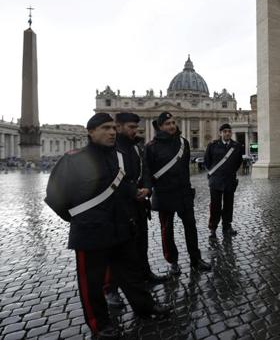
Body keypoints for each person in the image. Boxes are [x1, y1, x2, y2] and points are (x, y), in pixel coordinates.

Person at [45, 113, 170, 339]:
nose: (112, 132)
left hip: (121, 227)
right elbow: (54, 197)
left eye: (113, 128)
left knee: (132, 275)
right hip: (90, 233)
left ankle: (145, 308)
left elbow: (123, 186)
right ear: (91, 132)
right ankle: (99, 324)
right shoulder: (73, 159)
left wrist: (136, 193)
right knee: (92, 284)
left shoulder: (118, 156)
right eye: (105, 128)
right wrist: (79, 219)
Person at [103, 113, 170, 308]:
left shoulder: (137, 147)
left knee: (142, 241)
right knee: (117, 249)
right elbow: (112, 176)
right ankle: (111, 289)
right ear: (119, 126)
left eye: (136, 128)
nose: (135, 131)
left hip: (140, 203)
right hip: (120, 205)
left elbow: (146, 171)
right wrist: (134, 191)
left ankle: (145, 273)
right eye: (131, 127)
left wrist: (148, 188)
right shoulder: (111, 148)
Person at [145, 112, 212, 276]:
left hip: (183, 192)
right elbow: (147, 171)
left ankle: (196, 259)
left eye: (173, 122)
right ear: (160, 126)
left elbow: (184, 168)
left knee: (191, 227)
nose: (172, 126)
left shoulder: (184, 143)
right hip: (164, 194)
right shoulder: (151, 146)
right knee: (167, 231)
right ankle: (173, 261)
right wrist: (147, 189)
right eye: (167, 123)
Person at [204, 123, 243, 239]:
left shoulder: (236, 146)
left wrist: (230, 172)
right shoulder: (212, 145)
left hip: (229, 180)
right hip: (216, 181)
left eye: (229, 131)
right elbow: (207, 161)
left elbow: (238, 162)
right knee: (215, 205)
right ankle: (213, 228)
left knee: (228, 205)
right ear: (220, 133)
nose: (227, 133)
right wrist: (215, 173)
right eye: (225, 131)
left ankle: (227, 226)